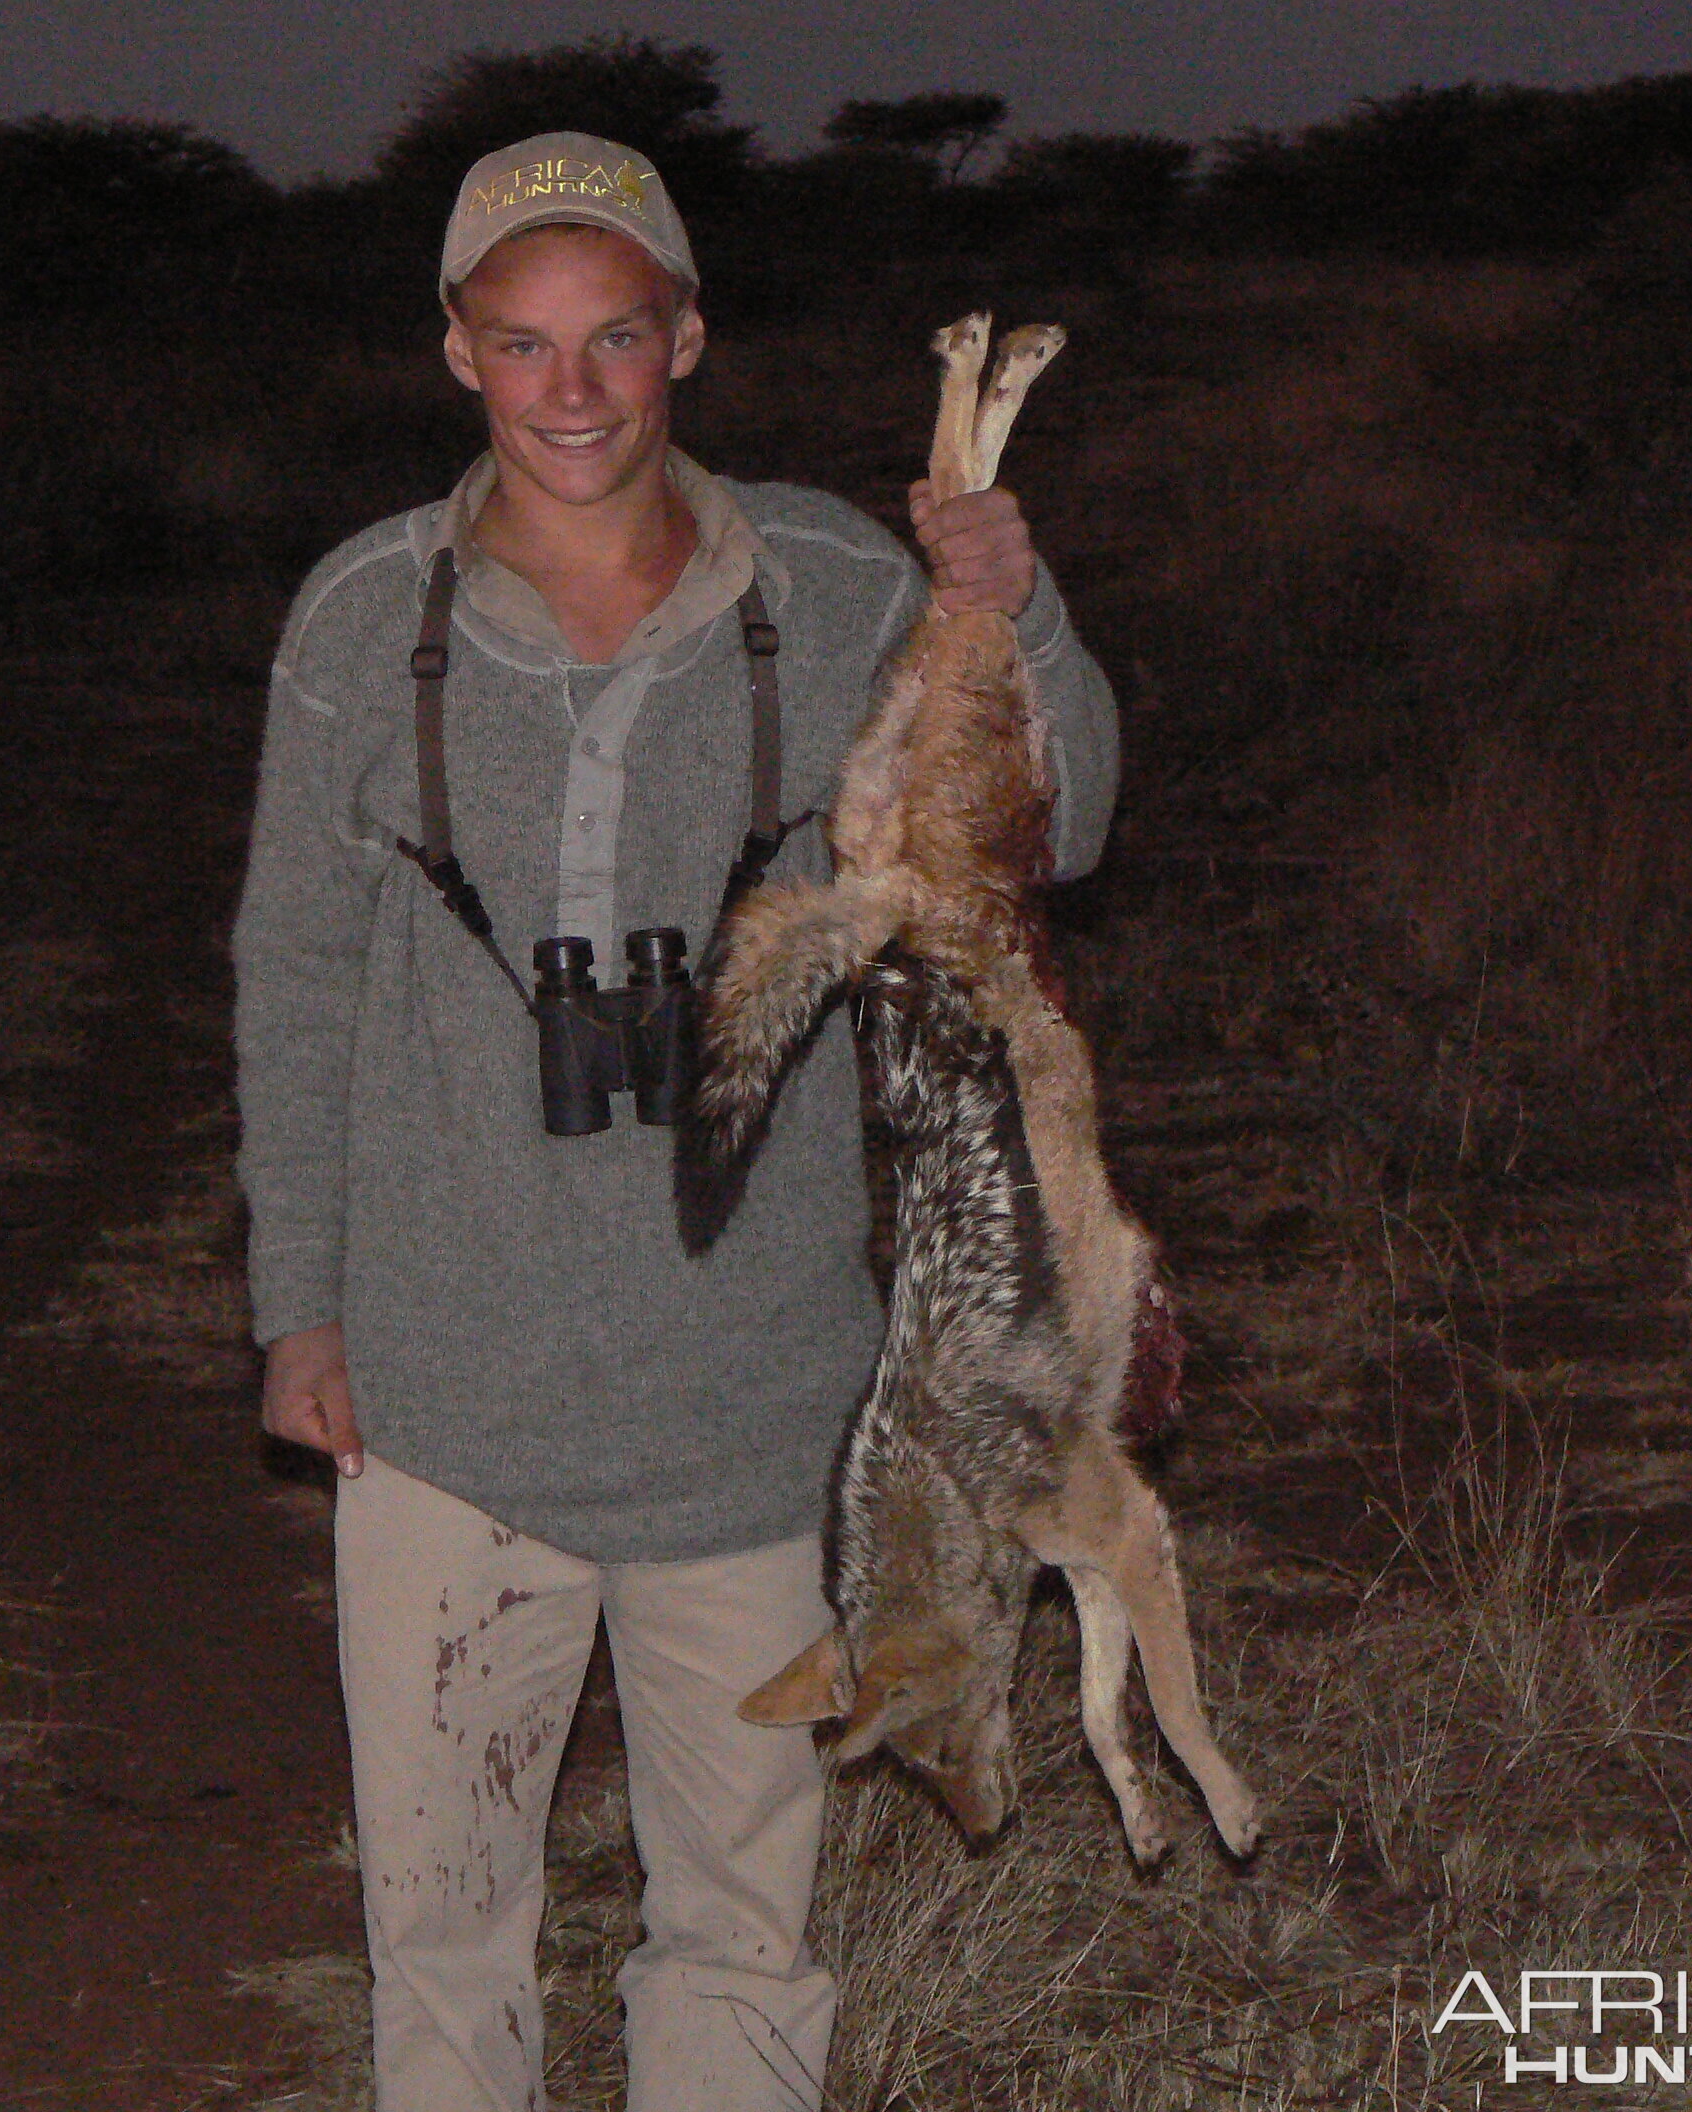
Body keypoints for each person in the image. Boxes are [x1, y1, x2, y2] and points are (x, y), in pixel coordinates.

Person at [231, 131, 1121, 2112]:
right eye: (521, 342)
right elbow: (291, 971)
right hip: (448, 1409)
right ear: (456, 352)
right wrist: (299, 1302)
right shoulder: (363, 611)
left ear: (685, 339)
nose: (571, 391)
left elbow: (1054, 825)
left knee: (738, 1929)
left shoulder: (825, 581)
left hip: (749, 1391)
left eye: (614, 338)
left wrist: (1017, 610)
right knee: (441, 1927)